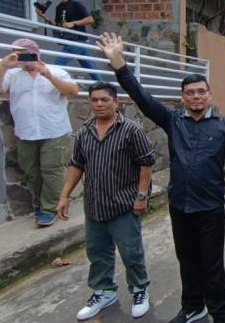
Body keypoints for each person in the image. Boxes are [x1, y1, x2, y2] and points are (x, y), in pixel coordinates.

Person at [96, 32, 225, 323]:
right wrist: (119, 63)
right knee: (187, 261)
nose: (196, 96)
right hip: (180, 206)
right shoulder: (172, 120)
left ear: (209, 94)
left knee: (212, 266)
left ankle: (220, 313)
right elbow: (142, 97)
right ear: (183, 97)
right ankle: (193, 306)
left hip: (210, 208)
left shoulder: (224, 127)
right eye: (190, 93)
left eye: (201, 91)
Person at [55, 82, 154, 320]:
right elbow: (77, 164)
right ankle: (104, 291)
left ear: (115, 102)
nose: (99, 104)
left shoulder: (131, 130)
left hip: (123, 205)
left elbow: (146, 164)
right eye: (94, 100)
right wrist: (64, 195)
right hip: (94, 205)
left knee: (131, 253)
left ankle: (140, 290)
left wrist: (141, 197)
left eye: (104, 100)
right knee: (97, 253)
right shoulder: (84, 132)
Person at [0, 38, 79, 227]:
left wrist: (49, 76)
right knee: (31, 172)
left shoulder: (57, 71)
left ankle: (49, 209)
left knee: (52, 171)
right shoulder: (12, 74)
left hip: (54, 131)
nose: (20, 58)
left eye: (24, 53)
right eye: (16, 53)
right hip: (25, 132)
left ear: (36, 53)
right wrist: (3, 65)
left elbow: (73, 92)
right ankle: (41, 204)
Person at [35, 0, 101, 82]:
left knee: (58, 63)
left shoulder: (76, 3)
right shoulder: (59, 7)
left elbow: (90, 19)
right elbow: (59, 25)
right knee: (90, 68)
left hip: (78, 40)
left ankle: (47, 84)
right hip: (70, 40)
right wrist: (45, 18)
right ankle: (103, 86)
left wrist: (74, 23)